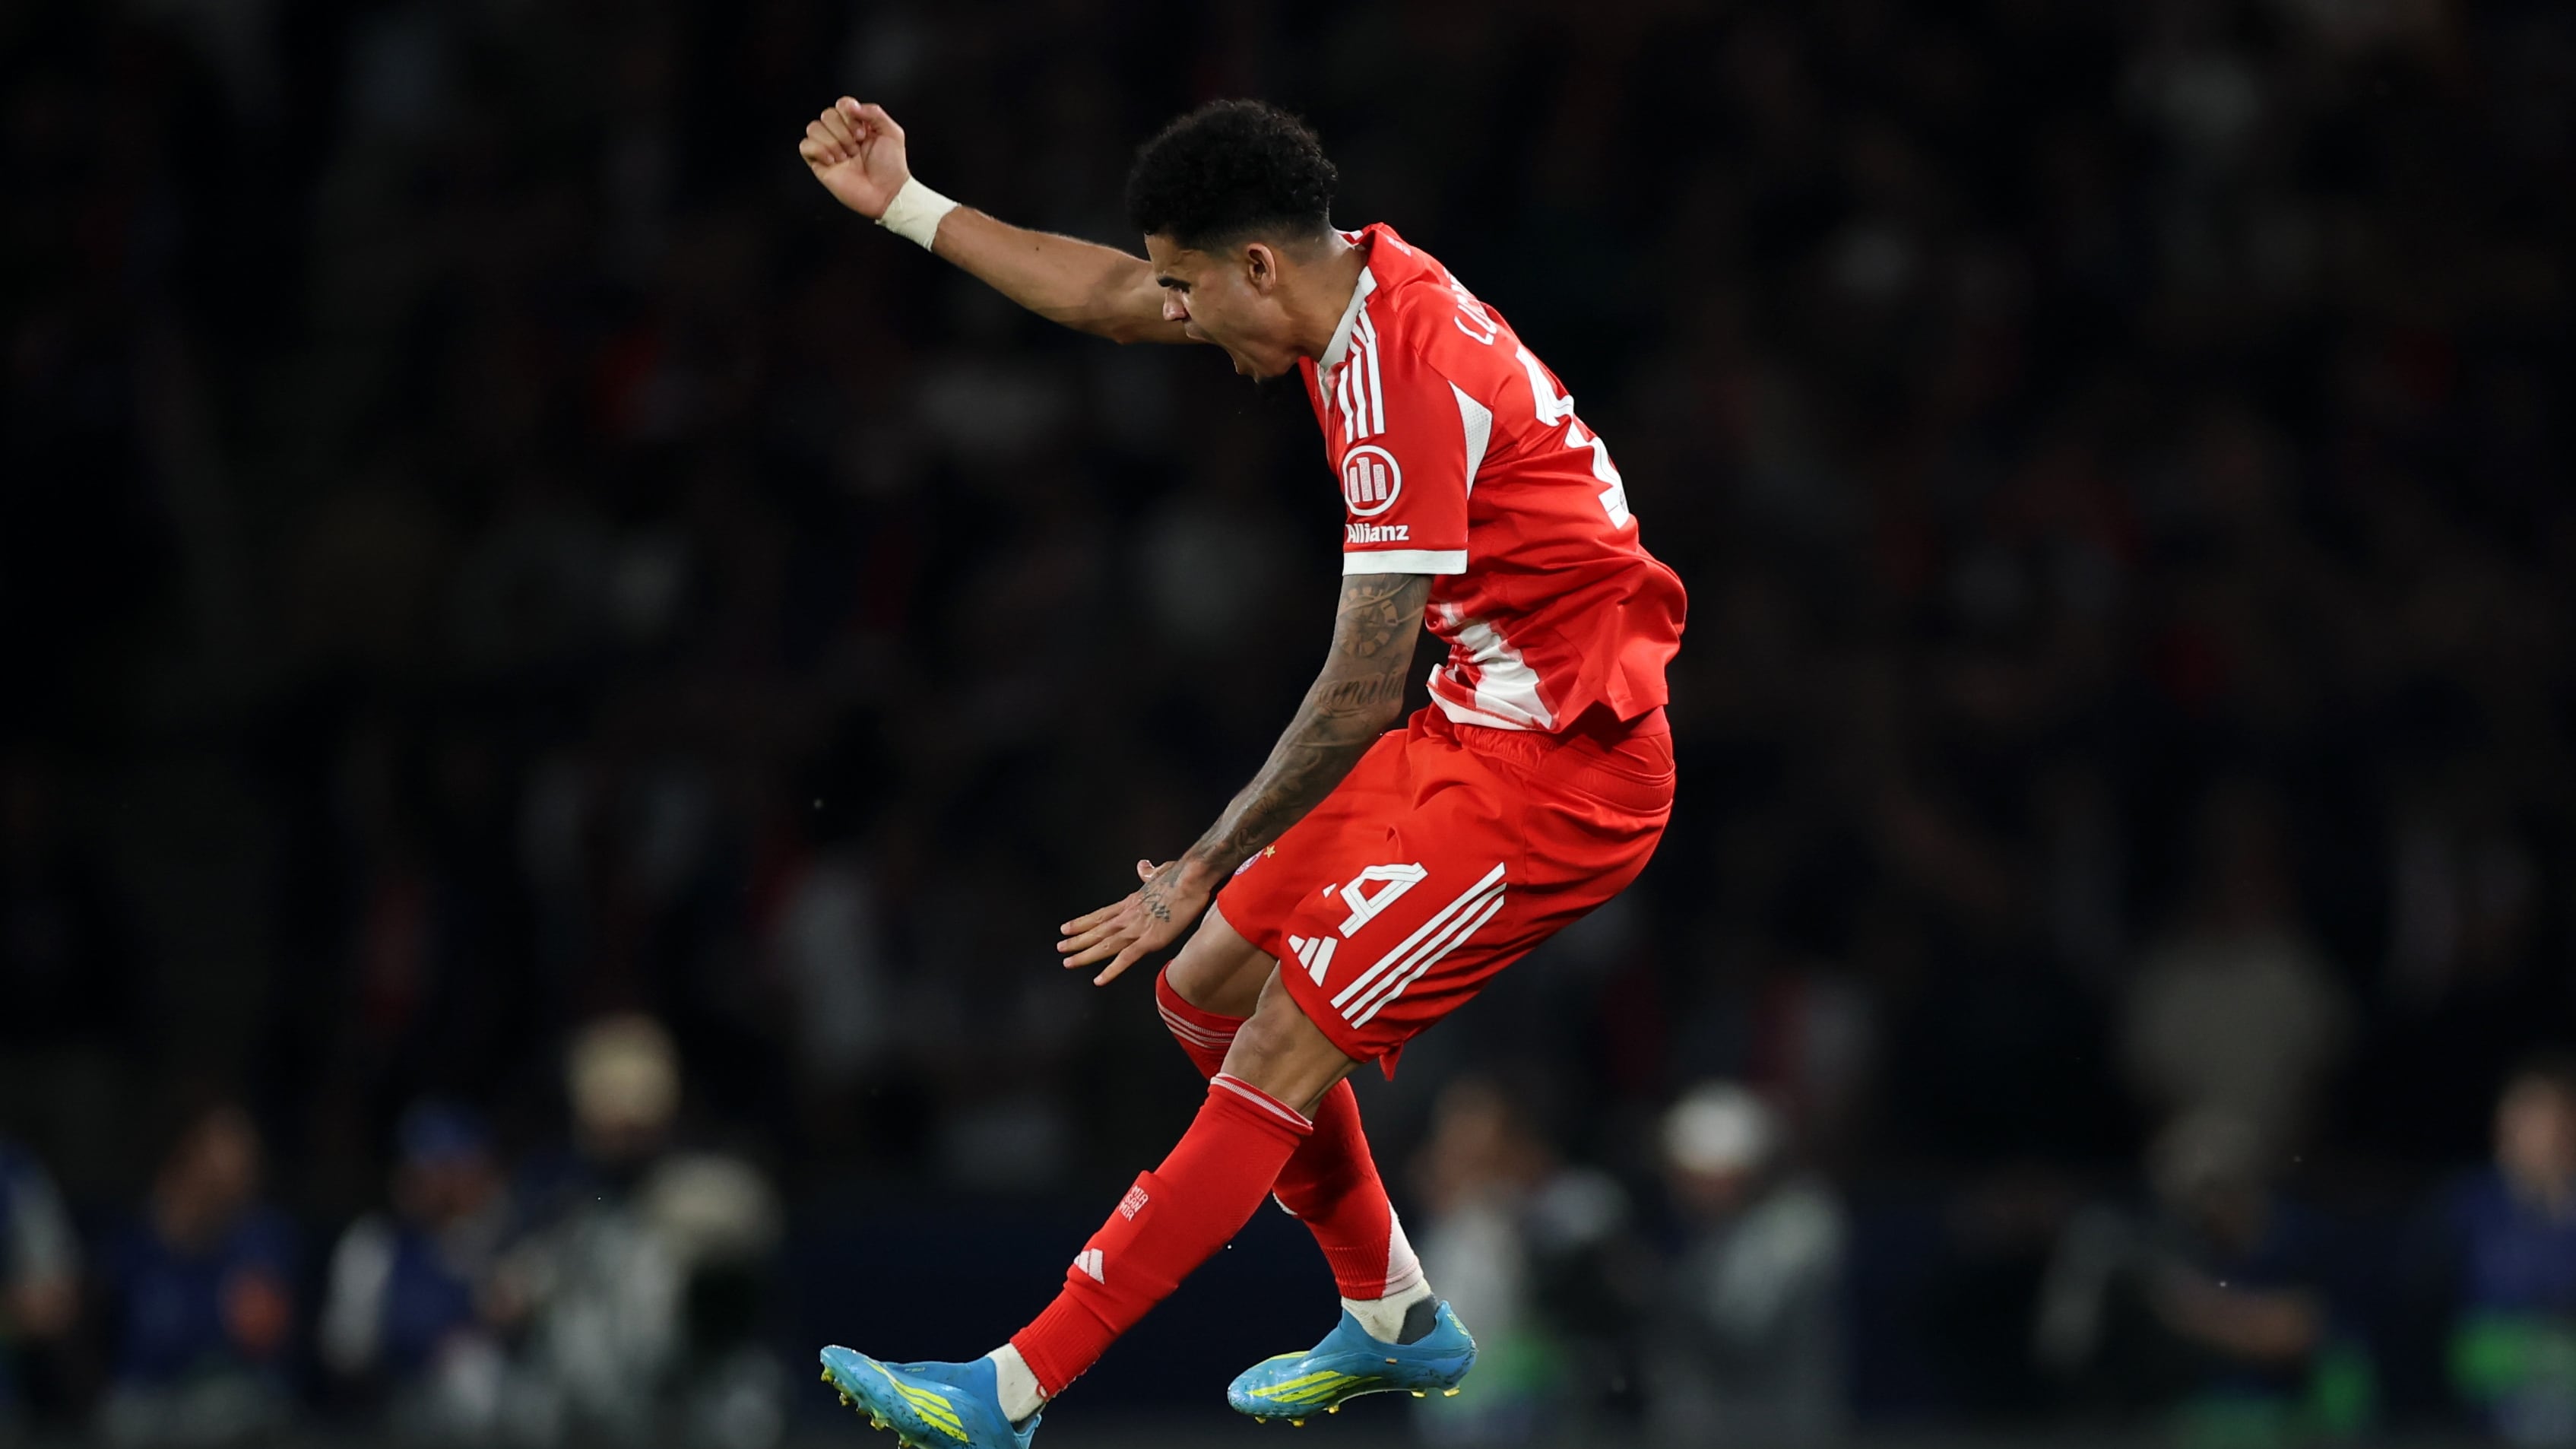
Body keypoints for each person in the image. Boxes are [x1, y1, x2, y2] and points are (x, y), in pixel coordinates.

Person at [796, 96, 1685, 1447]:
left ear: (1254, 267)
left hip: (1559, 775)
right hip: (1469, 724)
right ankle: (1388, 1312)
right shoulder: (1333, 283)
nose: (1180, 319)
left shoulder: (1397, 369)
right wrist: (910, 207)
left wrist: (1203, 858)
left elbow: (1355, 683)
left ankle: (1010, 1388)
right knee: (1201, 987)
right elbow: (1104, 292)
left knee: (1275, 1041)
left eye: (1189, 291)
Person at [1643, 1083, 1846, 1447]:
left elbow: (1744, 1328)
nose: (1700, 1190)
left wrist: (1647, 1293)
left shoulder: (1800, 1223)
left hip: (1778, 1432)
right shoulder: (1703, 1232)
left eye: (1717, 1177)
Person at [93, 1103, 299, 1447]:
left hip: (230, 1396)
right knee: (123, 1417)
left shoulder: (266, 1238)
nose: (240, 1175)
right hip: (148, 1399)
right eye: (226, 1161)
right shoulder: (142, 1236)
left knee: (230, 1408)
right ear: (193, 1161)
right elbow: (104, 1324)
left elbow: (265, 1334)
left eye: (248, 1163)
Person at [317, 1102, 513, 1441]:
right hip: (402, 1411)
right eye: (430, 1169)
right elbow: (345, 1351)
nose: (442, 1184)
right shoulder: (375, 1245)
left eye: (453, 1169)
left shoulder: (501, 1239)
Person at [2447, 1056, 2576, 1444]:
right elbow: (2452, 1341)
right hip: (2489, 1425)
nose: (2527, 1135)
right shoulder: (2466, 1212)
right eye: (2517, 1119)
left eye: (2545, 1118)